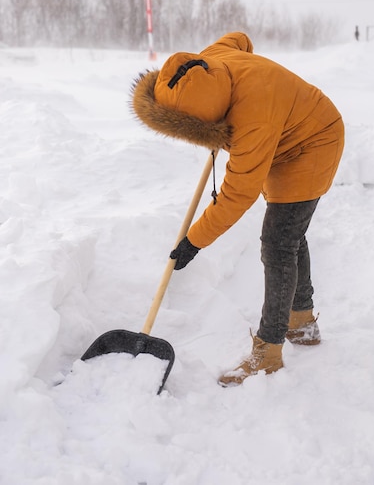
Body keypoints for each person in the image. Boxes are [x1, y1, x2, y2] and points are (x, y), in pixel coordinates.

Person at [131, 32, 344, 386]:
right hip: (284, 130)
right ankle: (302, 322)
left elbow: (236, 195)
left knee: (278, 241)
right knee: (289, 232)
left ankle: (269, 352)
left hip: (314, 141)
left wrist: (194, 241)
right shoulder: (210, 62)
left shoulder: (253, 119)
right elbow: (239, 39)